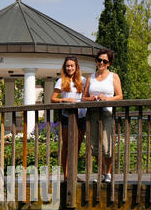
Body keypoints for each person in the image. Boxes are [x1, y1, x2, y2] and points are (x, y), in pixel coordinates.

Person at [83, 49, 123, 183]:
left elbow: (120, 96)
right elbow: (84, 97)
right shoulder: (90, 77)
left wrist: (106, 98)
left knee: (107, 144)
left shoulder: (114, 76)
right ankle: (101, 173)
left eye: (104, 61)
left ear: (109, 63)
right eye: (99, 60)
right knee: (94, 145)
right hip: (93, 113)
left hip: (107, 113)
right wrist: (91, 98)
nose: (101, 62)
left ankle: (108, 173)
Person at [51, 56, 86, 181]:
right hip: (67, 116)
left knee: (77, 146)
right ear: (64, 67)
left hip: (81, 116)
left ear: (76, 67)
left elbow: (86, 96)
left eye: (72, 65)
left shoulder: (83, 80)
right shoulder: (61, 80)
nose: (70, 68)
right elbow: (53, 99)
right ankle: (66, 175)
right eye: (67, 66)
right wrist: (64, 99)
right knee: (66, 145)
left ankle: (73, 174)